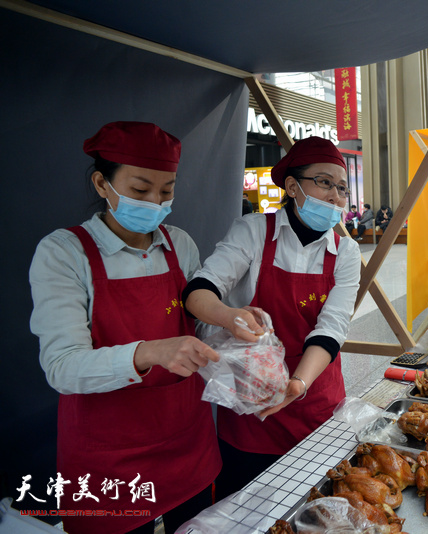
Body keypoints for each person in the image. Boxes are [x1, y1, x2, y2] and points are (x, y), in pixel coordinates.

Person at [29, 121, 221, 534]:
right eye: (139, 190)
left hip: (187, 438)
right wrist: (148, 351)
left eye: (166, 190)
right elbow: (62, 367)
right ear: (102, 183)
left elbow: (201, 329)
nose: (155, 201)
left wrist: (237, 332)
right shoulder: (64, 252)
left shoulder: (179, 243)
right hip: (110, 454)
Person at [183, 136, 361, 500]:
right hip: (252, 404)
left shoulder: (346, 252)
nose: (335, 196)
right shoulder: (253, 231)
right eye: (324, 182)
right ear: (292, 186)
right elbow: (199, 291)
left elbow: (332, 327)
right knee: (246, 508)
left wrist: (297, 384)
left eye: (342, 188)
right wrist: (230, 317)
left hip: (315, 400)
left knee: (318, 508)